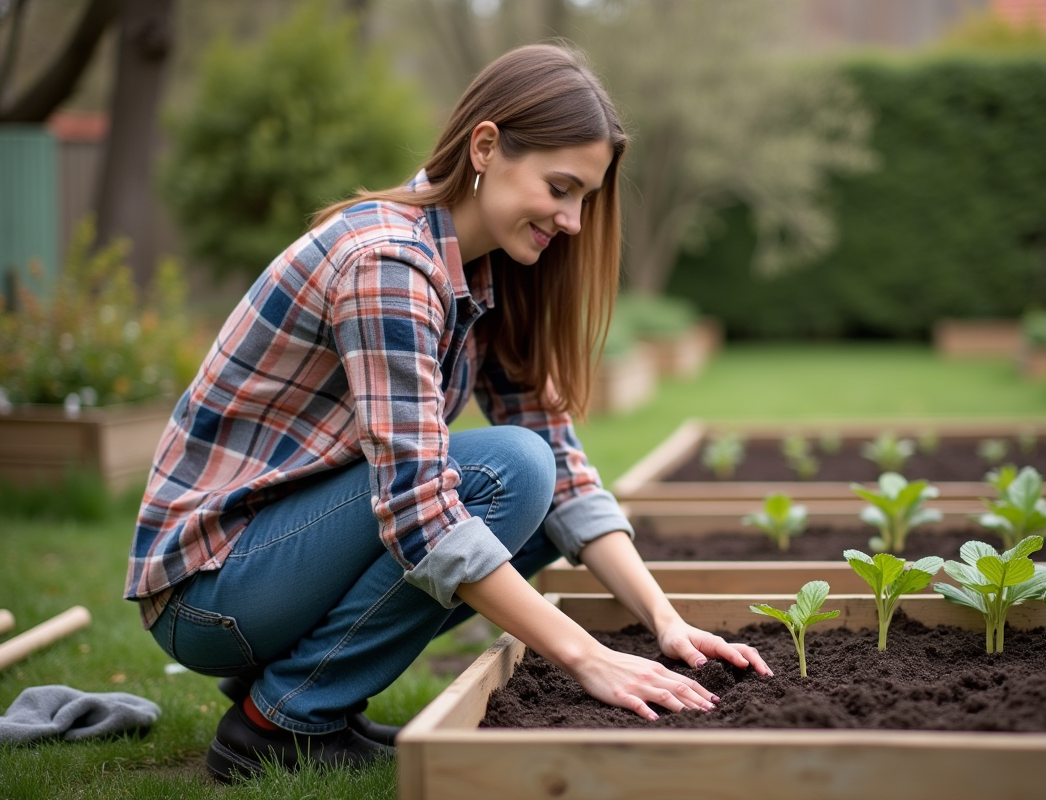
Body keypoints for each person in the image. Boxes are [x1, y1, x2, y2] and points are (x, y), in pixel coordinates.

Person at [125, 43, 771, 782]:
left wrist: (666, 622)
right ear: (486, 147)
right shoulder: (388, 265)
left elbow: (564, 468)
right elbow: (419, 508)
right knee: (506, 474)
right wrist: (587, 657)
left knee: (537, 492)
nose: (573, 222)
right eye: (561, 188)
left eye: (585, 199)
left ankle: (308, 692)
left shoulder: (482, 270)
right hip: (210, 589)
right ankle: (280, 721)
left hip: (276, 568)